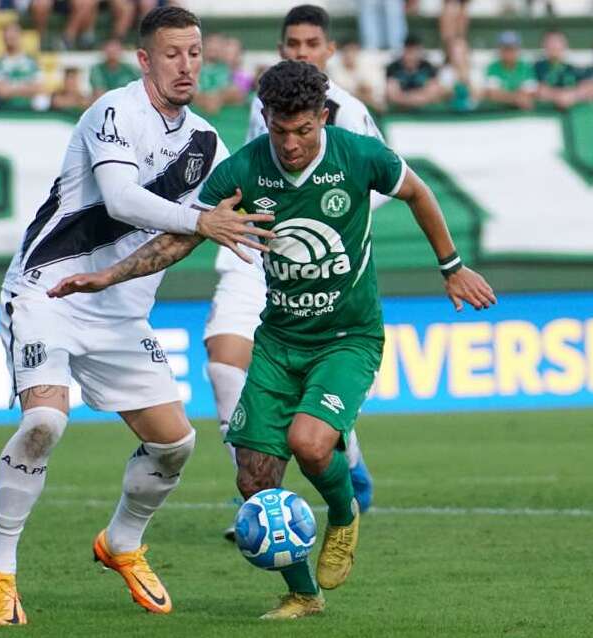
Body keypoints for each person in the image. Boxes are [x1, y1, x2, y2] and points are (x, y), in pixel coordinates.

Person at [48, 59, 496, 620]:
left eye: (303, 131)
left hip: (348, 337)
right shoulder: (244, 170)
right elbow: (183, 237)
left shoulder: (358, 156)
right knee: (254, 476)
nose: (290, 144)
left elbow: (419, 193)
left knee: (311, 444)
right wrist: (109, 275)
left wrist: (451, 266)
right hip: (280, 342)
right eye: (280, 131)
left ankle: (344, 512)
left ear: (323, 117)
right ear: (266, 118)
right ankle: (304, 594)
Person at [0, 6, 274, 625]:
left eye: (194, 53)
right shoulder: (114, 112)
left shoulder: (208, 146)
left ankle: (121, 543)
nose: (186, 65)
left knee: (175, 445)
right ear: (144, 59)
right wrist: (202, 218)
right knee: (44, 422)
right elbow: (120, 199)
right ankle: (0, 570)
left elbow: (178, 242)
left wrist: (158, 252)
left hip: (119, 312)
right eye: (172, 54)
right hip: (48, 292)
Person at [231, 4, 385, 538]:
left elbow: (389, 184)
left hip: (322, 266)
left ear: (329, 51)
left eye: (310, 43)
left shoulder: (350, 114)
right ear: (280, 48)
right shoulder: (263, 105)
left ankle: (343, 465)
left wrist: (320, 214)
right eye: (292, 43)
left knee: (312, 433)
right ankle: (264, 495)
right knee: (222, 361)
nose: (301, 51)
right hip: (255, 254)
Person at [0, 23, 46, 111]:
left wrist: (11, 88)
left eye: (13, 35)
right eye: (8, 35)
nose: (10, 38)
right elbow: (2, 92)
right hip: (3, 112)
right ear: (3, 38)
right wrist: (27, 88)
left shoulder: (32, 63)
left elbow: (39, 88)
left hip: (29, 112)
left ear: (20, 36)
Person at [386, 33, 443, 110]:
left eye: (414, 51)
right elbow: (392, 95)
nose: (411, 55)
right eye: (409, 51)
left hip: (425, 112)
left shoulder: (428, 67)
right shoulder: (393, 68)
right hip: (400, 112)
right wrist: (419, 97)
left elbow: (434, 93)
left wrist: (405, 98)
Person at [484, 30, 536, 110]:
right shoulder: (493, 67)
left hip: (523, 117)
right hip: (498, 114)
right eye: (505, 48)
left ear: (518, 49)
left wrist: (505, 96)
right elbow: (492, 93)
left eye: (512, 48)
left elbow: (530, 93)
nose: (508, 52)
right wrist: (516, 98)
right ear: (500, 49)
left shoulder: (526, 68)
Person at [533, 30, 579, 109]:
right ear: (544, 45)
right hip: (543, 114)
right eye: (550, 42)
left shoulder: (572, 69)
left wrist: (573, 94)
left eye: (558, 42)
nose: (554, 46)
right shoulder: (536, 67)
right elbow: (536, 90)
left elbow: (585, 89)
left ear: (565, 45)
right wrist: (560, 96)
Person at [437, 36, 482, 111]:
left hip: (474, 113)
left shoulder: (476, 71)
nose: (458, 56)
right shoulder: (445, 71)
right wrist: (457, 80)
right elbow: (443, 95)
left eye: (461, 52)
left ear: (467, 53)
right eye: (454, 53)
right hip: (451, 112)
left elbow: (478, 95)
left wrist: (466, 80)